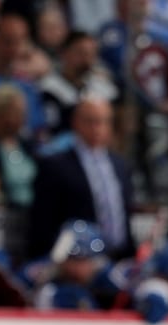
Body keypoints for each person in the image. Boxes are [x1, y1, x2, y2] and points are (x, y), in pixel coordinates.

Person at [28, 97, 135, 261]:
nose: (97, 128)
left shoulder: (120, 165)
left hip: (119, 259)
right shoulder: (55, 166)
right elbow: (42, 223)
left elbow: (124, 214)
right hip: (77, 262)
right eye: (91, 121)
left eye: (104, 122)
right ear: (76, 123)